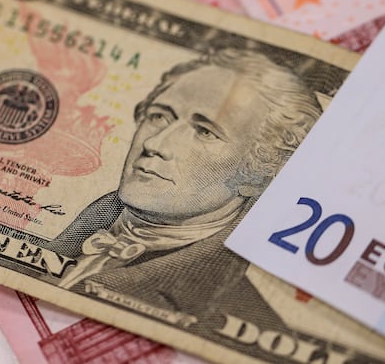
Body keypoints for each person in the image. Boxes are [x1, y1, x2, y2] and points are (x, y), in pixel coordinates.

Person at [52, 48, 323, 313]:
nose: (155, 143)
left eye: (205, 132)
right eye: (158, 116)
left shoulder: (231, 314)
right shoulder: (78, 232)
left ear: (260, 173)